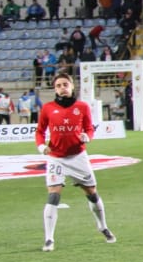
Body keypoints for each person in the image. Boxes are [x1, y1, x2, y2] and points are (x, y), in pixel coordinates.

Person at [36, 73, 116, 251]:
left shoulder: (82, 106)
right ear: (55, 89)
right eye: (58, 85)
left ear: (72, 86)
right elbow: (40, 131)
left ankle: (102, 226)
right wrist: (41, 147)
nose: (62, 88)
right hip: (56, 158)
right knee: (53, 196)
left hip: (78, 156)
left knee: (92, 194)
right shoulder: (48, 108)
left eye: (65, 84)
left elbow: (89, 127)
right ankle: (49, 239)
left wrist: (88, 136)